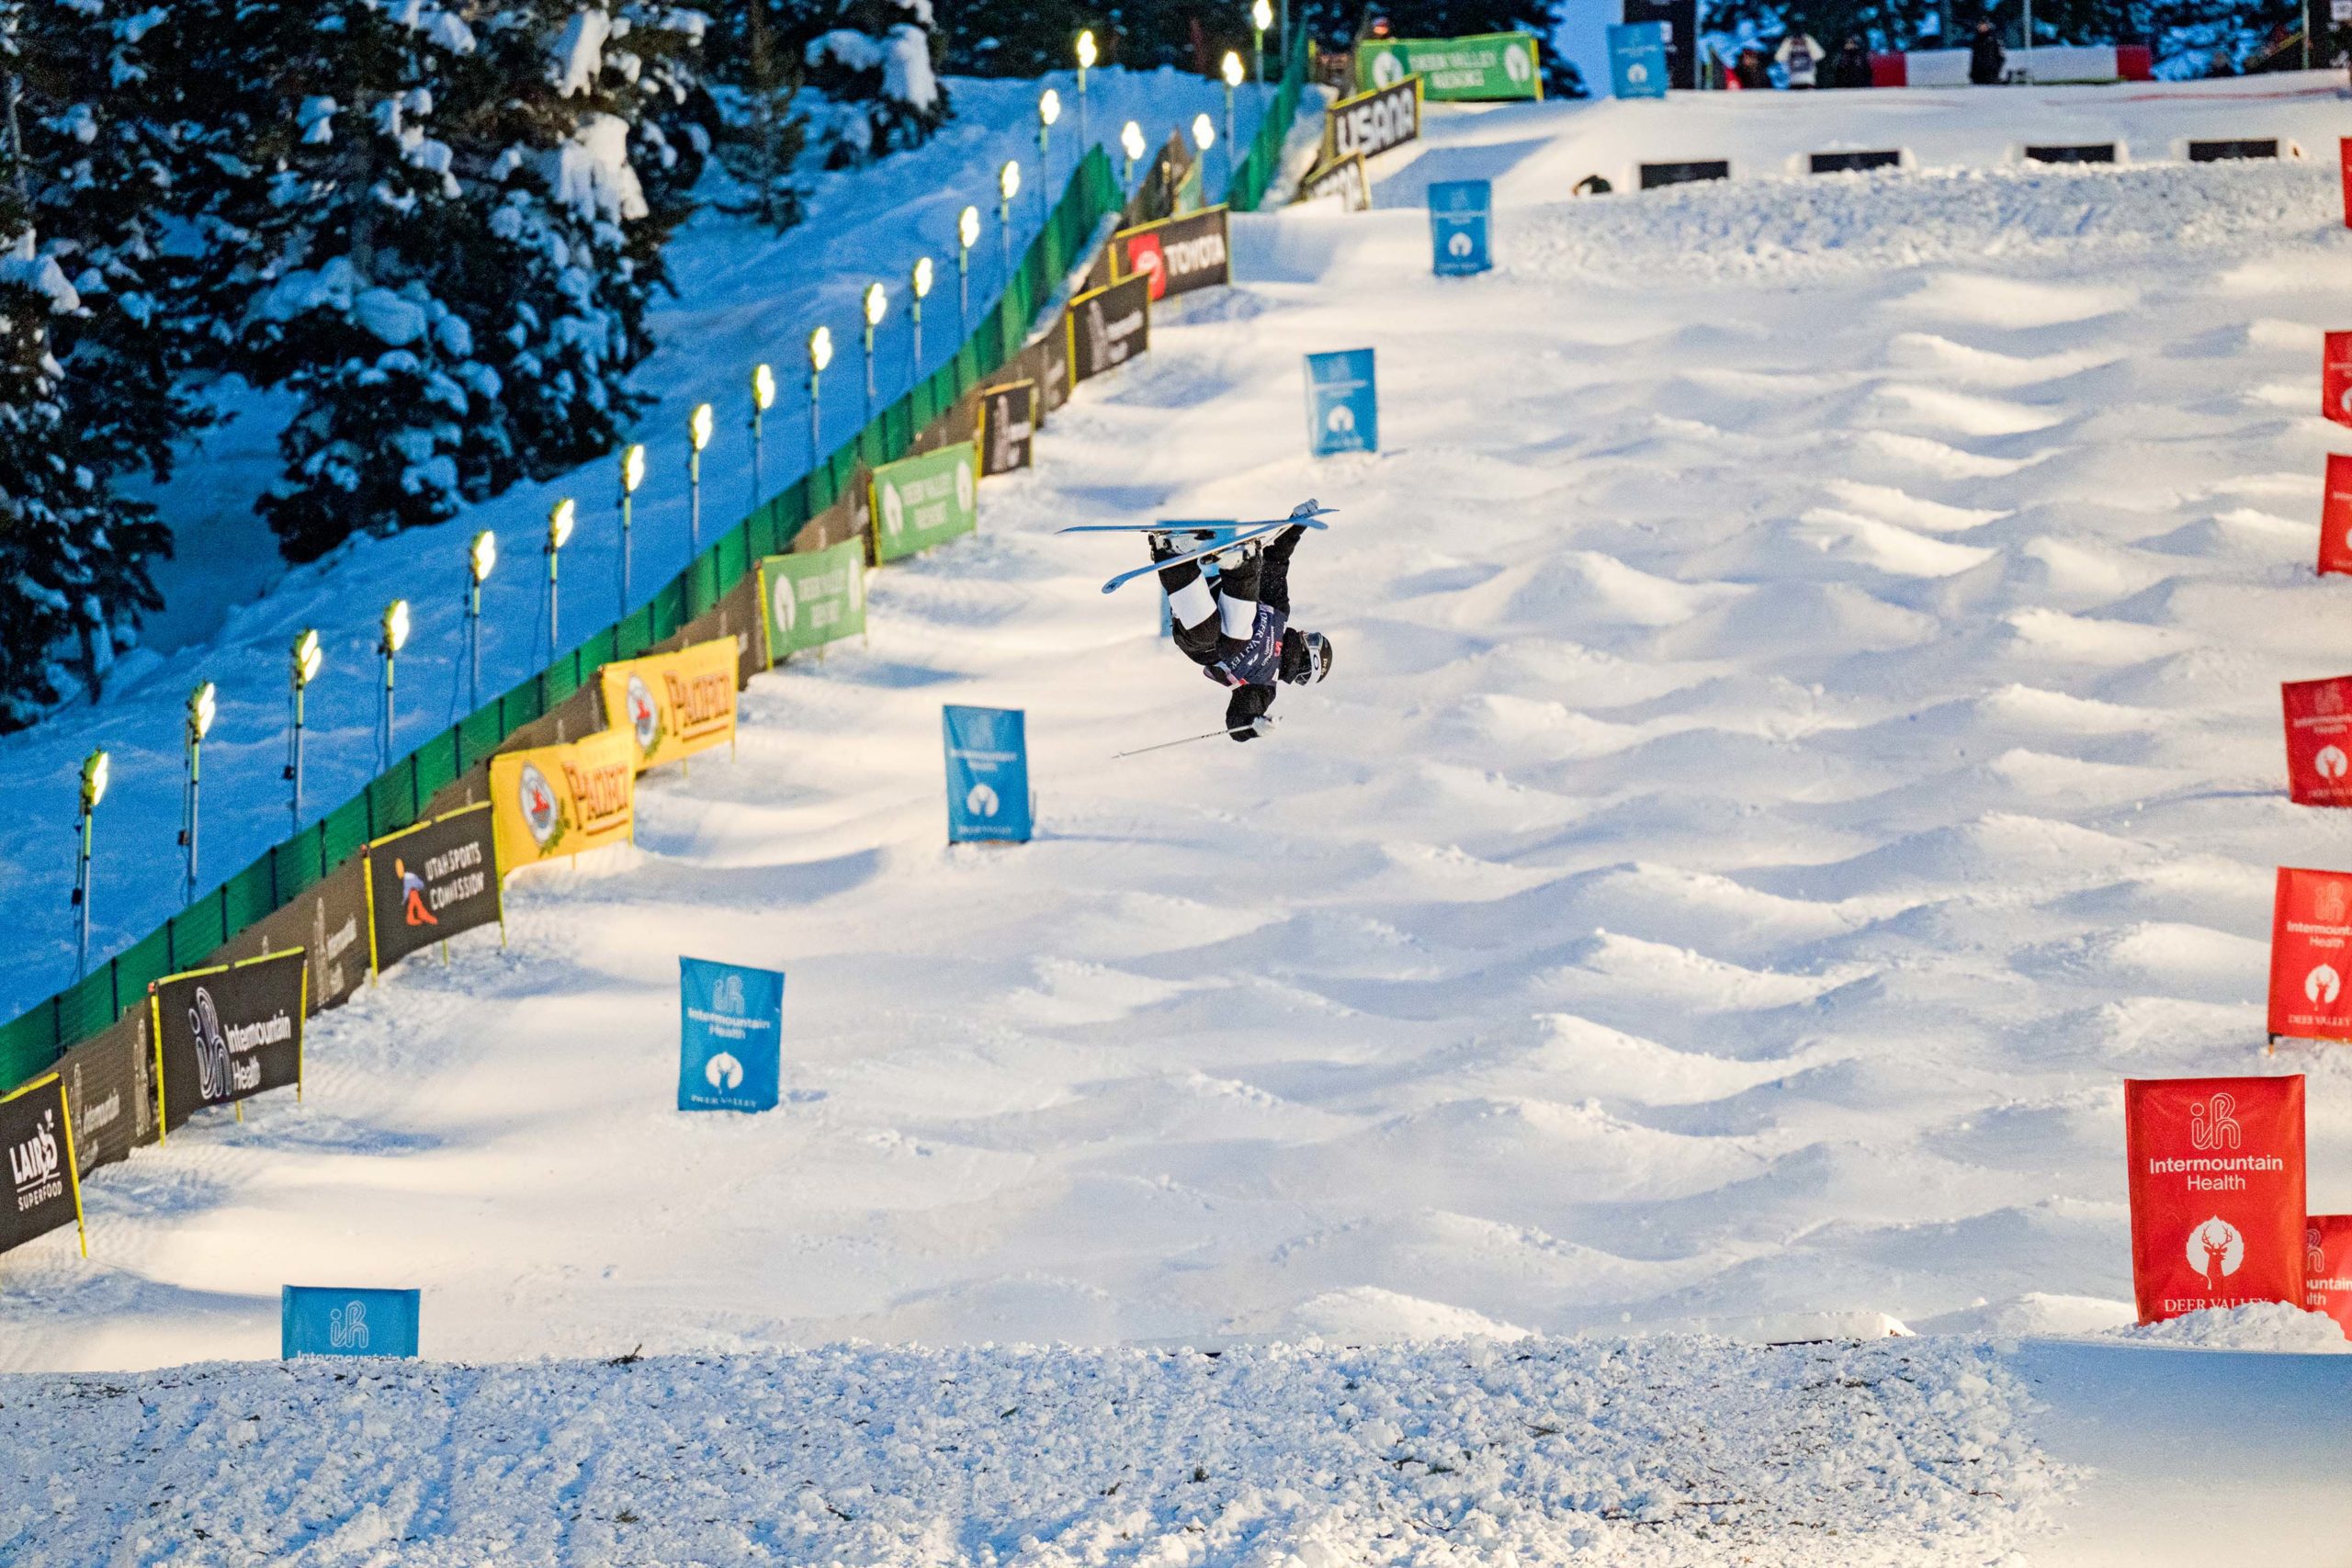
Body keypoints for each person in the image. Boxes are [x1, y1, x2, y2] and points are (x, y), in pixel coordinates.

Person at [1151, 508, 1335, 741]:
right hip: (1222, 594)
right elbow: (1276, 564)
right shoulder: (1279, 614)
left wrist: (1252, 727)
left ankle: (1170, 554)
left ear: (1310, 661)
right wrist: (1296, 525)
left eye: (1311, 640)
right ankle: (1240, 563)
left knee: (1222, 637)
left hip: (1204, 644)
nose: (1303, 634)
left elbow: (1238, 720)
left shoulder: (1263, 686)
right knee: (1240, 630)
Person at [1969, 17, 2006, 84]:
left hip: (1992, 75)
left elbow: (2001, 58)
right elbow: (1974, 59)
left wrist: (1995, 71)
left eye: (1984, 25)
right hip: (1978, 77)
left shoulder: (1995, 40)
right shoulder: (1976, 40)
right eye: (1980, 26)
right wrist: (1973, 74)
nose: (1982, 27)